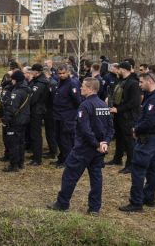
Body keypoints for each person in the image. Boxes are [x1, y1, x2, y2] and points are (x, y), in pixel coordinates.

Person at [47, 77, 114, 215]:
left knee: (69, 175)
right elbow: (110, 129)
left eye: (83, 86)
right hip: (98, 150)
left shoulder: (85, 105)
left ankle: (62, 203)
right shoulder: (103, 105)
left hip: (84, 149)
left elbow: (85, 129)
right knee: (96, 178)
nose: (80, 88)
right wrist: (104, 143)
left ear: (90, 89)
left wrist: (97, 144)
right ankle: (94, 208)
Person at [119, 72, 155, 212]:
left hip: (147, 139)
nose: (139, 85)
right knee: (152, 168)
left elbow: (148, 121)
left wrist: (136, 129)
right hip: (154, 137)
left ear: (150, 81)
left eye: (141, 82)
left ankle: (136, 202)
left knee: (138, 169)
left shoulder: (154, 100)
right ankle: (149, 197)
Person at [107, 61, 141, 174]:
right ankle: (117, 159)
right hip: (119, 115)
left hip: (128, 117)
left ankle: (131, 165)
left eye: (119, 69)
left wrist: (119, 109)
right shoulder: (121, 81)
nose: (117, 71)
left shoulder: (133, 83)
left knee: (129, 141)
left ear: (124, 70)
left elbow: (134, 102)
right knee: (120, 138)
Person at [0, 70, 31, 172]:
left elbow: (12, 109)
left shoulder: (17, 93)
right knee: (21, 142)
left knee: (13, 143)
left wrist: (5, 120)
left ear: (15, 80)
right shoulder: (27, 89)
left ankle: (13, 165)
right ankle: (20, 162)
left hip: (16, 121)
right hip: (24, 119)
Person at [52, 65, 82, 168]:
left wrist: (73, 115)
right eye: (59, 73)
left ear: (68, 72)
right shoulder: (59, 83)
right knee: (58, 138)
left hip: (67, 116)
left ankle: (68, 161)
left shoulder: (72, 84)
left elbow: (78, 101)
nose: (61, 75)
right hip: (58, 115)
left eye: (63, 73)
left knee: (66, 140)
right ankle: (62, 158)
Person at [28, 63, 50, 166]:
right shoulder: (37, 81)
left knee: (36, 135)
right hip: (36, 110)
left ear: (37, 72)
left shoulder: (40, 83)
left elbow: (32, 98)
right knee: (34, 134)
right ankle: (36, 154)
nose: (30, 72)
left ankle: (37, 158)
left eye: (32, 71)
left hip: (37, 111)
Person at [42, 67, 58, 159]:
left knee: (51, 132)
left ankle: (53, 151)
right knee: (49, 132)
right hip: (48, 111)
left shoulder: (52, 84)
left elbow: (53, 100)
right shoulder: (50, 83)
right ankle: (51, 149)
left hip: (51, 112)